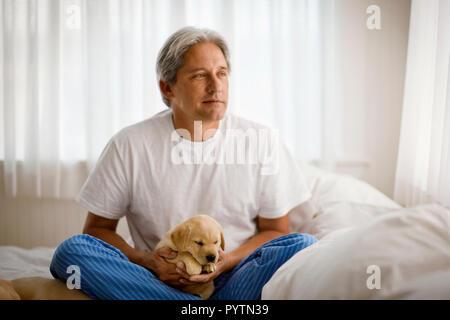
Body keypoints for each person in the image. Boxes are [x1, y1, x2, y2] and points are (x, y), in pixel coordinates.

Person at [50, 26, 318, 300]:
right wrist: (148, 262)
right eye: (201, 75)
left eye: (222, 73)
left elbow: (275, 230)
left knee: (303, 244)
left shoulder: (262, 141)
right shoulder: (129, 144)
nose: (216, 86)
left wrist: (227, 260)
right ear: (167, 87)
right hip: (157, 280)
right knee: (72, 252)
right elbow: (96, 231)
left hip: (233, 278)